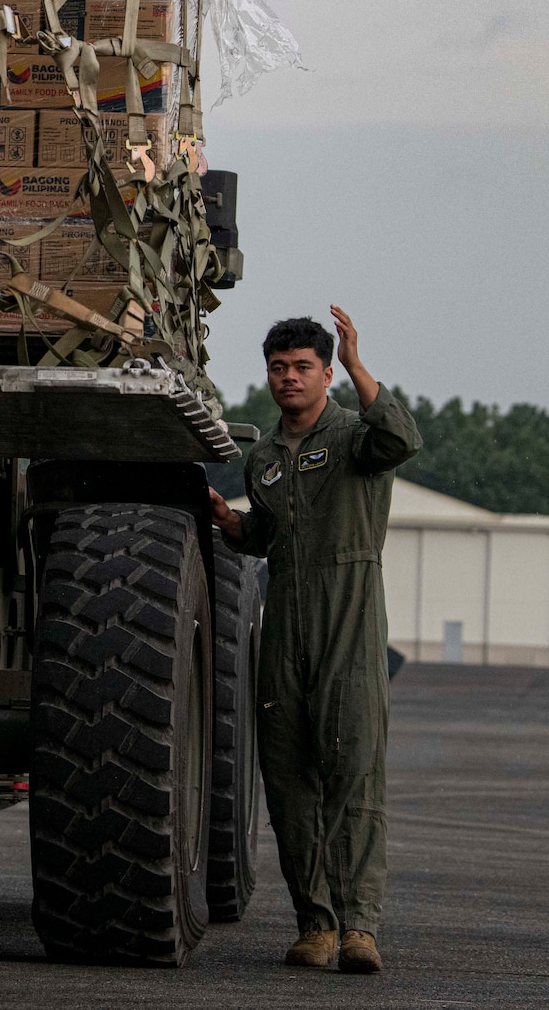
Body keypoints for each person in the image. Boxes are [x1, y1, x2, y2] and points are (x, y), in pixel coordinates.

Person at [209, 307, 421, 975]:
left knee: (354, 773)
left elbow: (402, 440)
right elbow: (265, 539)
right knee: (289, 780)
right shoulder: (264, 459)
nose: (289, 378)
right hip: (287, 626)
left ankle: (361, 928)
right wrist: (227, 523)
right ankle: (317, 925)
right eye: (279, 368)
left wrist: (361, 365)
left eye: (303, 367)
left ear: (326, 373)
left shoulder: (358, 438)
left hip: (349, 623)